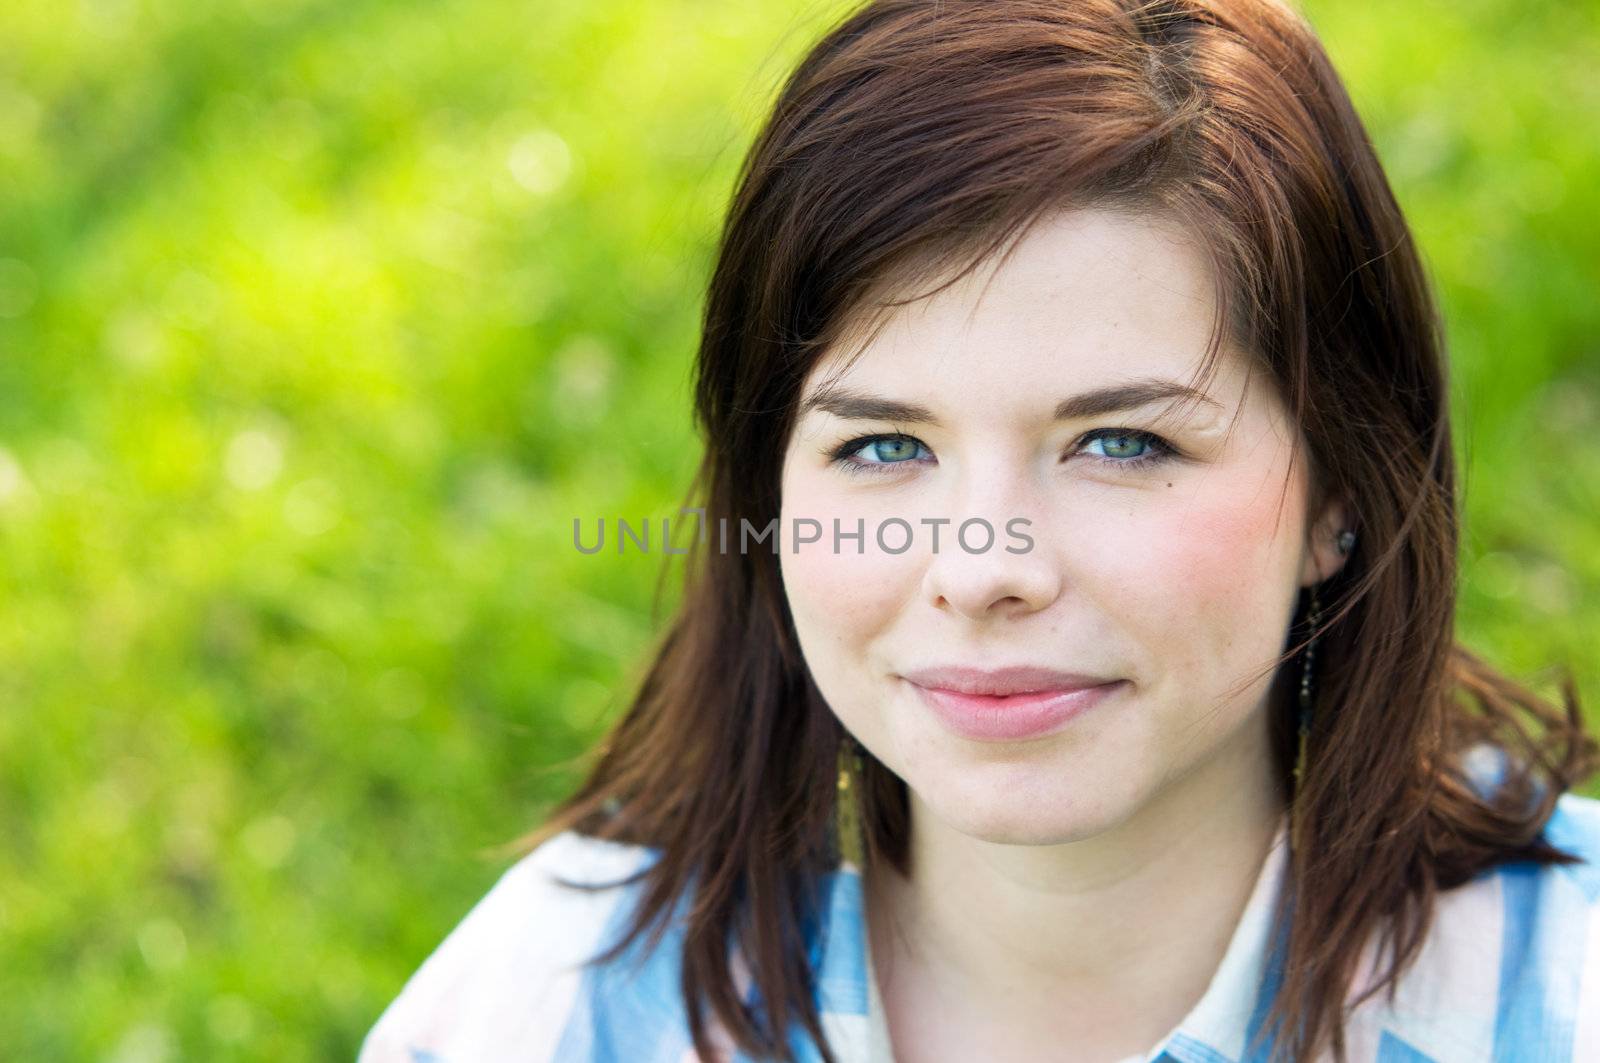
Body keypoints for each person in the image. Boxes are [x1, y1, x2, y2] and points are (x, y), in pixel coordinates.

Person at [359, 1, 1600, 1060]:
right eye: (883, 446)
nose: (983, 570)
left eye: (1123, 444)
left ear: (1341, 490)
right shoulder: (549, 1009)